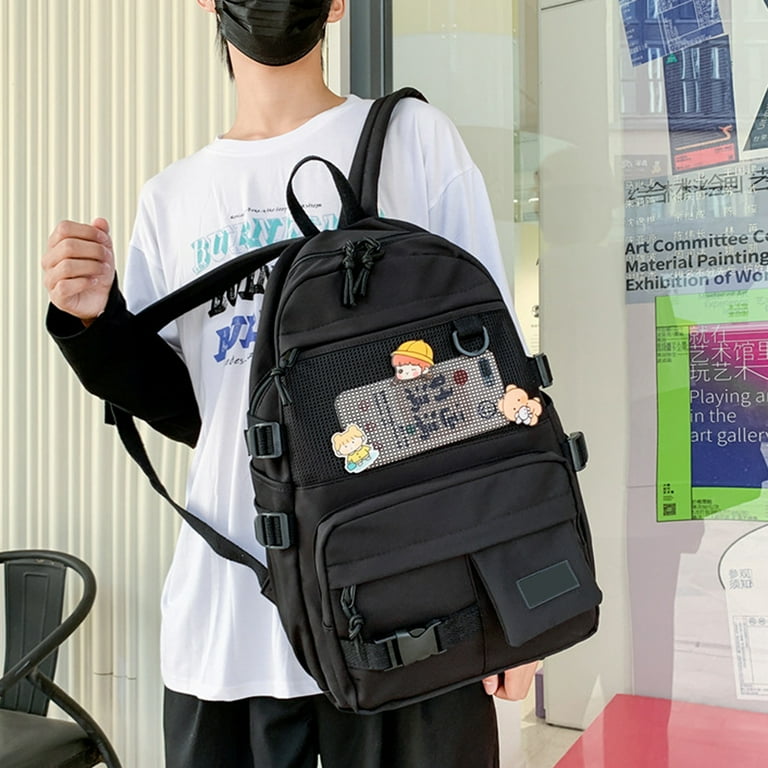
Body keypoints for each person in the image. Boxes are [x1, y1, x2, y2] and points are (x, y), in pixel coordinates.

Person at [42, 1, 539, 766]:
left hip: (409, 608)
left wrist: (516, 600)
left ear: (338, 4)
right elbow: (193, 411)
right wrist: (92, 320)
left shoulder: (413, 140)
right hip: (230, 622)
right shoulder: (172, 197)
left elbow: (492, 379)